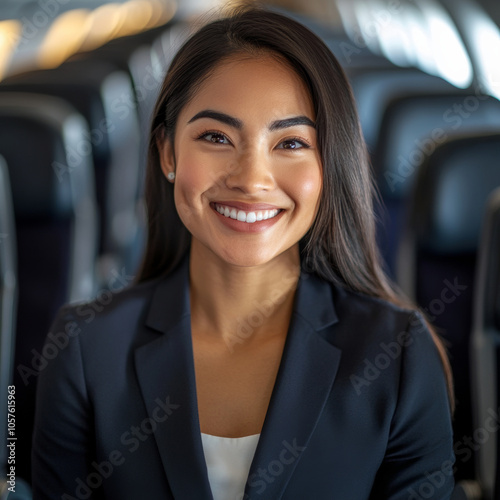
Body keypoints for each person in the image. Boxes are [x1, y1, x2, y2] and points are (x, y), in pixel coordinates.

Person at [32, 5, 455, 499]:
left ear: (328, 165)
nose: (251, 179)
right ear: (168, 152)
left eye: (291, 142)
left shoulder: (398, 357)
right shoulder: (84, 349)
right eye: (216, 137)